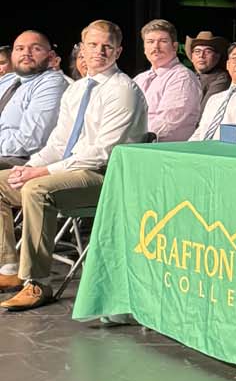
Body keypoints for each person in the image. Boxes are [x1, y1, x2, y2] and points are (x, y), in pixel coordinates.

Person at [0, 19, 148, 311]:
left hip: (106, 177)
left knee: (38, 189)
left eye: (108, 46)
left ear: (118, 51)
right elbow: (57, 143)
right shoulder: (77, 90)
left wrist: (41, 172)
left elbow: (102, 153)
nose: (99, 51)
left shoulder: (123, 90)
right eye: (93, 44)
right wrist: (28, 167)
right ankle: (8, 269)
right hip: (70, 171)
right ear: (82, 48)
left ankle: (38, 282)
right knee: (4, 181)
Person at [0, 32, 70, 277]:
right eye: (20, 48)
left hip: (25, 159)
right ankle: (6, 263)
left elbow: (30, 140)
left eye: (35, 48)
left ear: (50, 56)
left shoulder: (51, 83)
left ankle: (5, 265)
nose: (26, 53)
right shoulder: (8, 81)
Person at [134, 18, 203, 142]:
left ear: (175, 46)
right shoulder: (139, 79)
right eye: (150, 42)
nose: (156, 46)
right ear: (144, 48)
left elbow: (168, 123)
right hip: (135, 146)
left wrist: (129, 137)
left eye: (163, 41)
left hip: (163, 151)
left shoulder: (183, 78)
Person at [186, 31, 230, 101]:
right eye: (197, 51)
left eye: (208, 51)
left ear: (217, 56)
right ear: (192, 57)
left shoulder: (221, 79)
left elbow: (206, 109)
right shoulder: (188, 76)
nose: (201, 55)